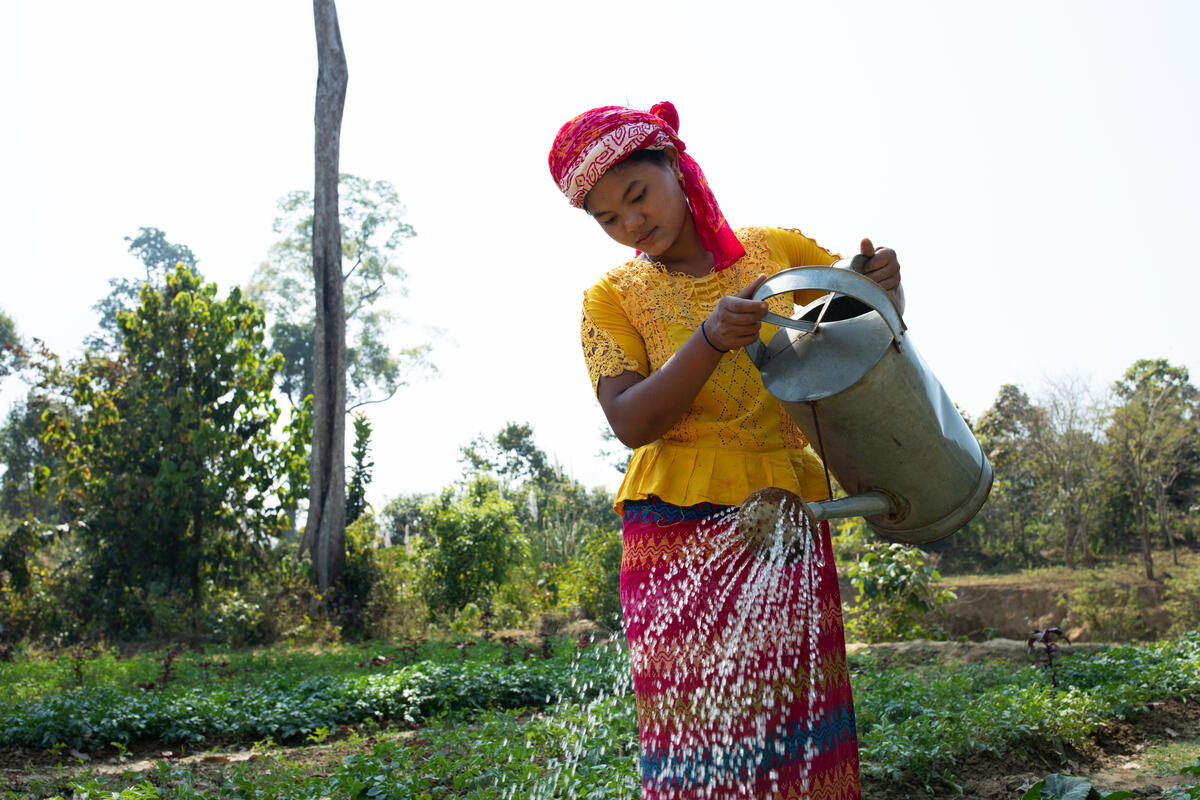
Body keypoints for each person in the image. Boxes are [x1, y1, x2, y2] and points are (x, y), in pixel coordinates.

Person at [548, 101, 902, 800]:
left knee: (799, 728)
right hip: (676, 531)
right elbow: (629, 419)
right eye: (608, 218)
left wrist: (882, 285)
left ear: (675, 166)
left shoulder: (776, 253)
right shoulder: (612, 297)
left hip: (785, 519)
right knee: (697, 739)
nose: (631, 224)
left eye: (638, 194)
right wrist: (708, 340)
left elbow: (865, 334)